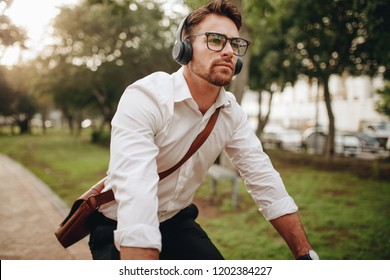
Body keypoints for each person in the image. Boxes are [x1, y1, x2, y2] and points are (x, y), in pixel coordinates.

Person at [88, 0, 319, 260]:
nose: (229, 51)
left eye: (235, 43)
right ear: (184, 48)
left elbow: (263, 179)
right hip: (118, 225)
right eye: (216, 40)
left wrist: (305, 255)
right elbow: (136, 188)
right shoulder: (146, 97)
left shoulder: (231, 112)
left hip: (176, 222)